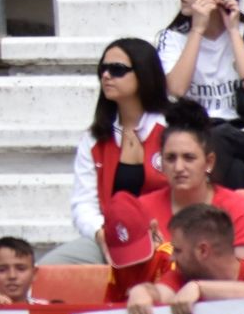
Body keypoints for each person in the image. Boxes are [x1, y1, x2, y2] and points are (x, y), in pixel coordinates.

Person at [42, 38, 170, 266]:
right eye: (103, 68)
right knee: (48, 269)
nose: (106, 76)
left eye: (118, 70)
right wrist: (101, 234)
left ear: (144, 74)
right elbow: (83, 204)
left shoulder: (171, 129)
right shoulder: (93, 139)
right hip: (112, 236)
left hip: (166, 234)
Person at [159, 0, 244, 183]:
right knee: (236, 171)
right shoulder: (172, 37)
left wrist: (232, 32)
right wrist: (197, 31)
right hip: (192, 136)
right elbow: (177, 89)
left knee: (221, 134)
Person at [133, 104, 244, 254]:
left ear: (209, 162)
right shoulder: (142, 209)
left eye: (188, 158)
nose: (178, 167)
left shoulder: (236, 209)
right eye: (170, 158)